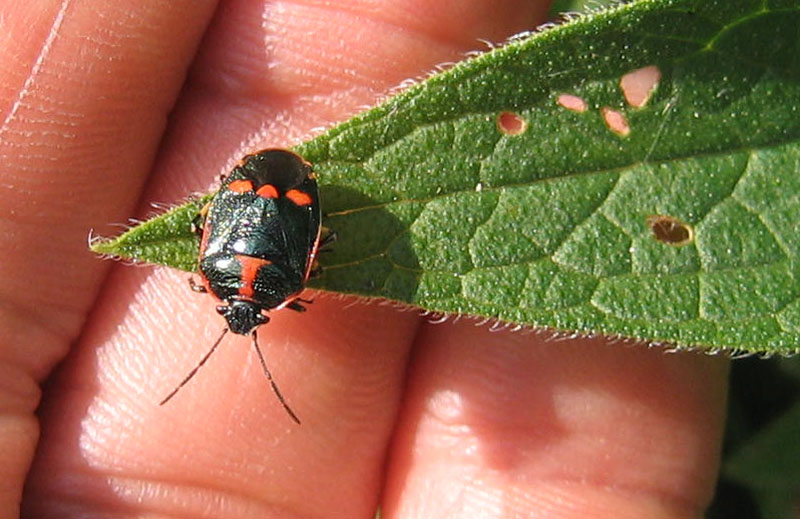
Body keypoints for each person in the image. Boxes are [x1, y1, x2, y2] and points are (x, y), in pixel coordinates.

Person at [2, 0, 727, 517]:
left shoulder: (283, 288)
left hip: (281, 199)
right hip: (256, 189)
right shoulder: (223, 277)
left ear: (230, 298)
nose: (242, 306)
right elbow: (220, 231)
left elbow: (293, 250)